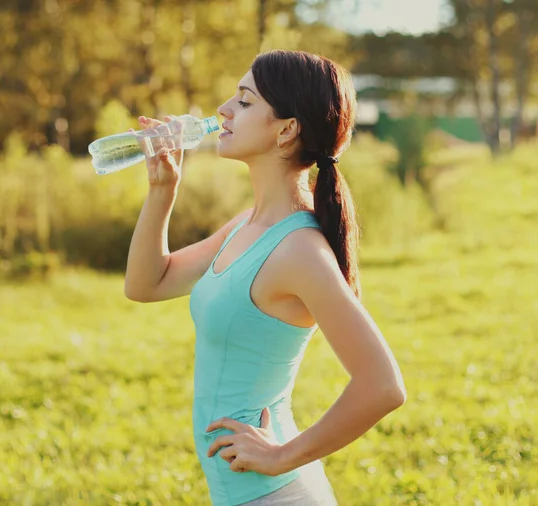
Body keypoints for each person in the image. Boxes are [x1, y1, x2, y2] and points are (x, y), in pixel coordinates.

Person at [124, 49, 407, 506]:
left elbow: (383, 385)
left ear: (287, 129)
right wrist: (161, 191)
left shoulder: (298, 249)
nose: (223, 111)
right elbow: (146, 285)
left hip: (276, 496)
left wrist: (281, 456)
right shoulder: (248, 226)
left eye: (245, 100)